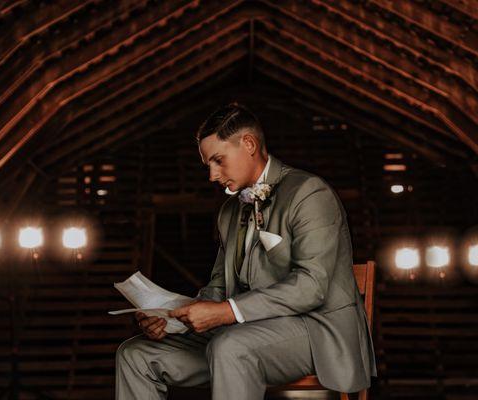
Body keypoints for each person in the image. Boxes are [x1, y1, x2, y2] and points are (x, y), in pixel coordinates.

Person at [115, 103, 376, 400]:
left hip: (314, 329)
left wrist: (227, 312)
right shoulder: (228, 211)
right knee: (135, 354)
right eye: (208, 165)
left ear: (249, 144)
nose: (212, 175)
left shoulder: (309, 192)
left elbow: (311, 287)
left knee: (231, 348)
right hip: (242, 330)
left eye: (218, 160)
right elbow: (218, 287)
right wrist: (173, 320)